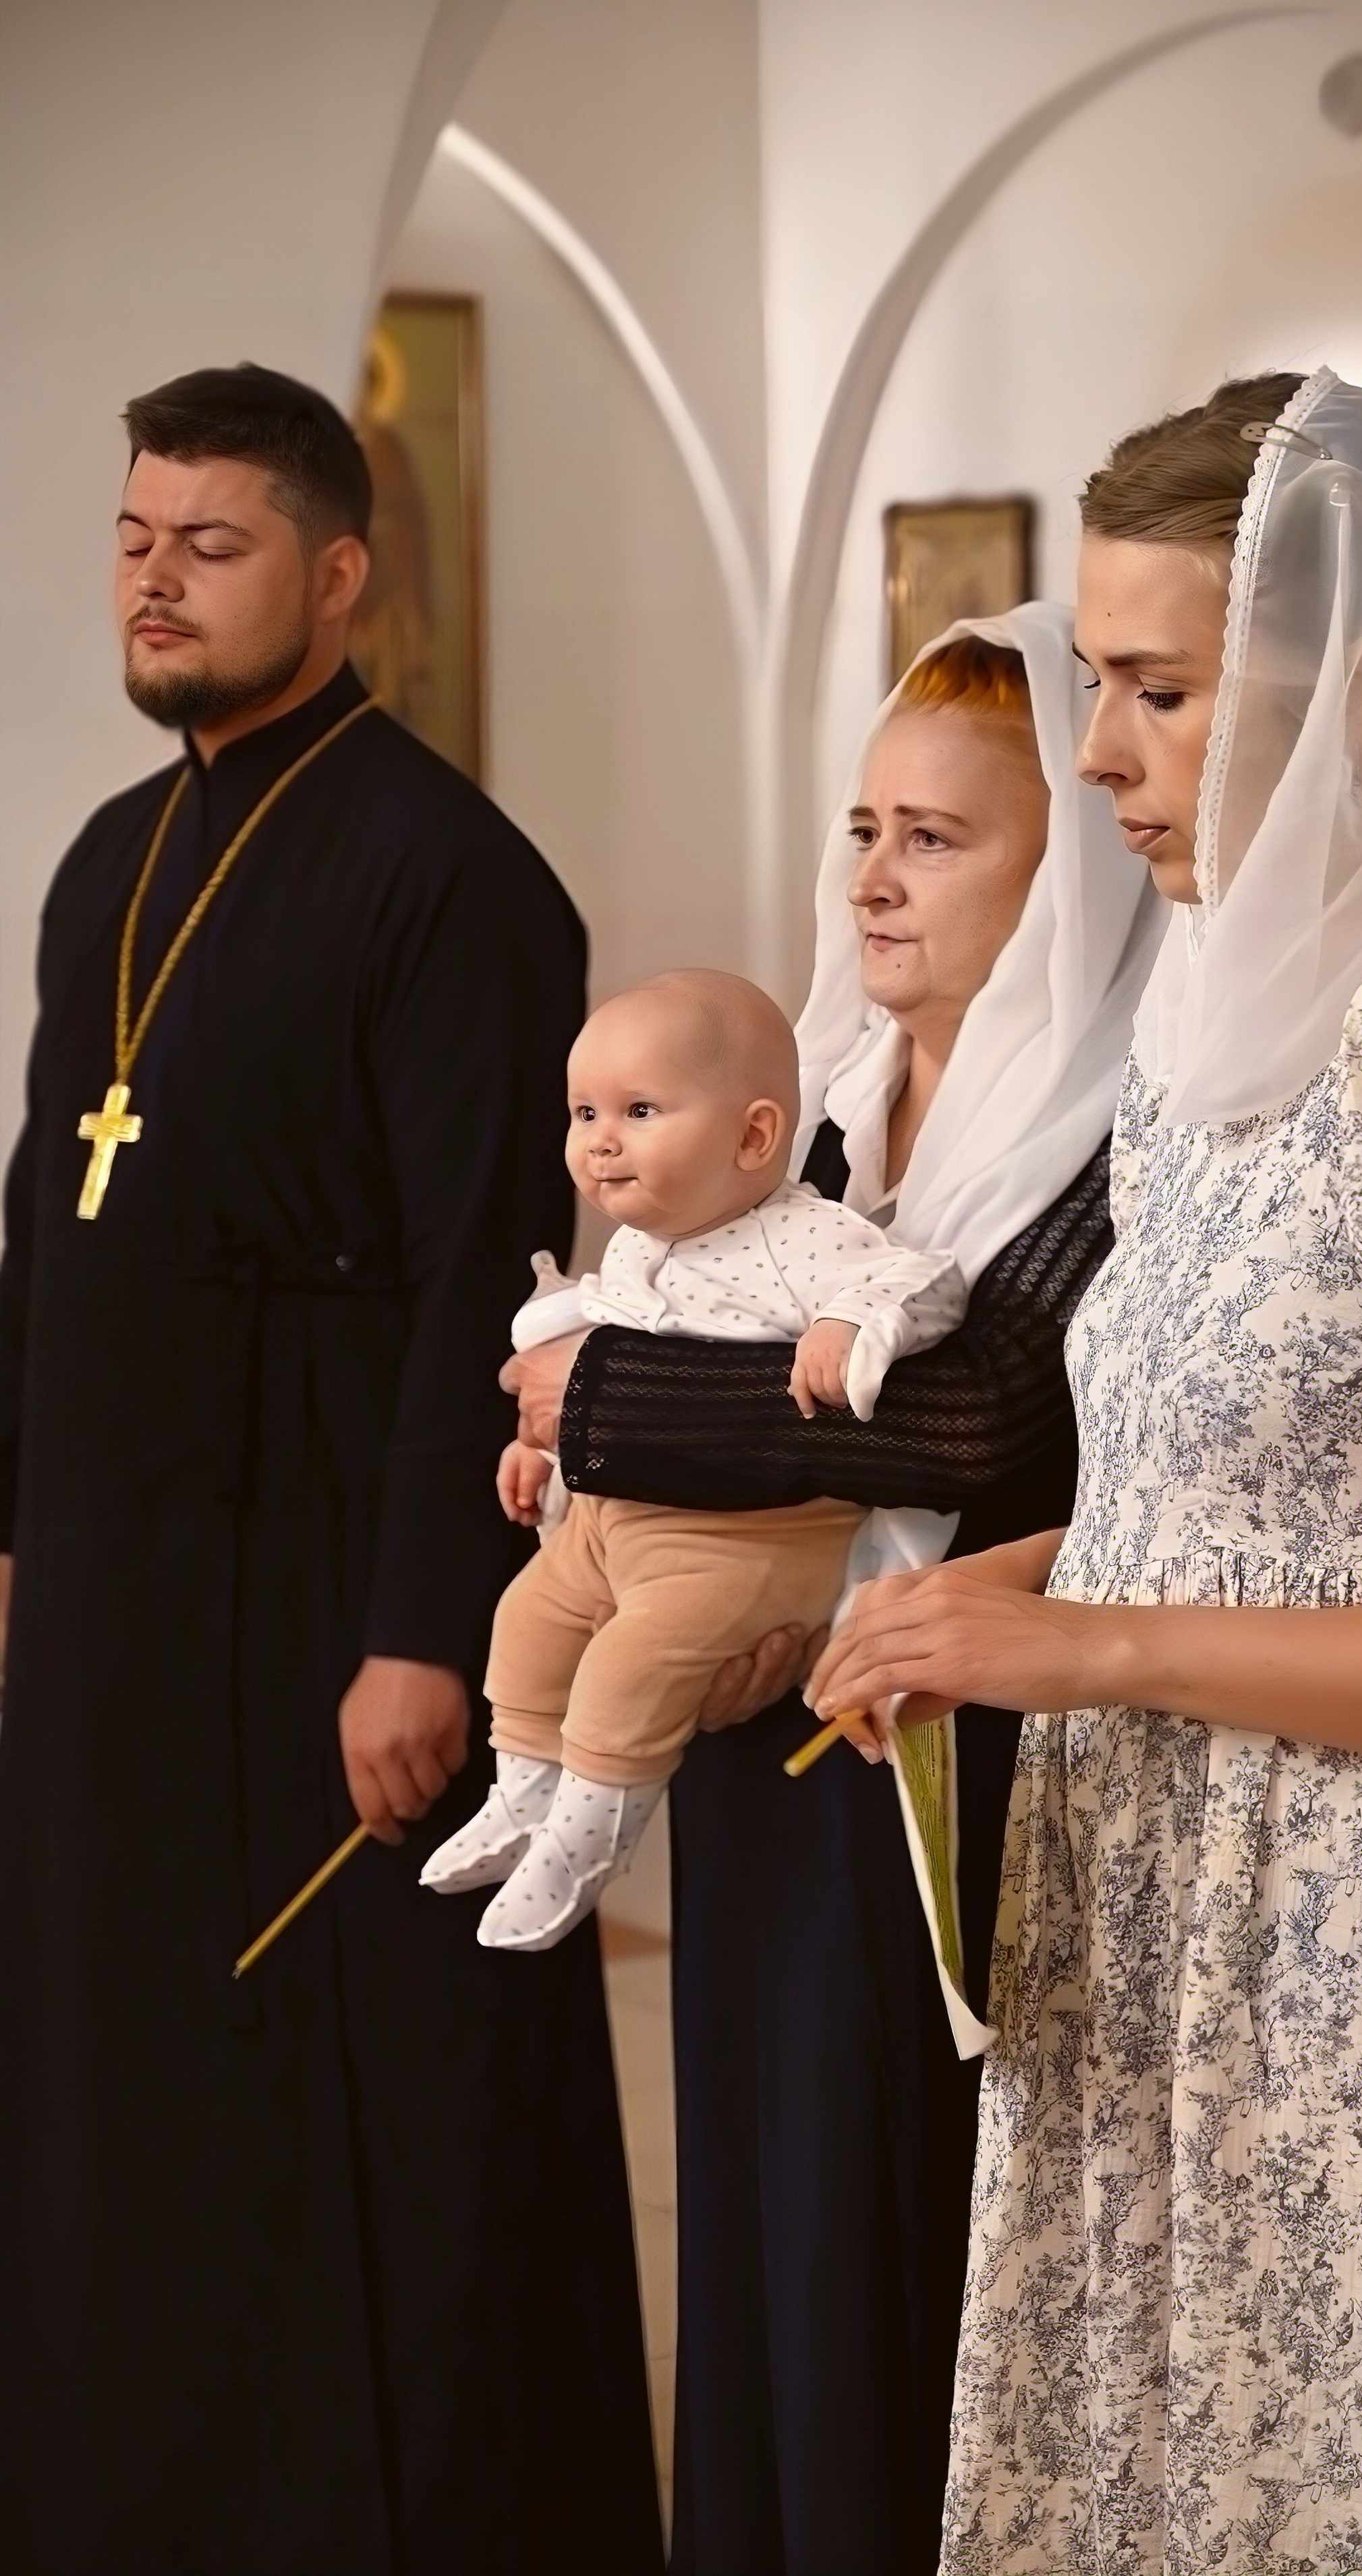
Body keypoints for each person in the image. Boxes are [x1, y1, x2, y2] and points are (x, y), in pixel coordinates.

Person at [814, 374, 1362, 2572]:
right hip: (1158, 1950)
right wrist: (987, 1596)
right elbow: (1238, 1480)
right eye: (1096, 685)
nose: (1093, 752)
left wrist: (1098, 1636)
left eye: (1157, 689)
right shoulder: (1219, 989)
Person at [0, 364, 661, 2575]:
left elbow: (491, 1278)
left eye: (214, 543)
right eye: (136, 537)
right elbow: (46, 1204)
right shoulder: (112, 853)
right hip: (114, 1588)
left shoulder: (450, 874)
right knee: (132, 2077)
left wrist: (420, 1630)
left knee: (367, 2087)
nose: (159, 581)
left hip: (320, 1590)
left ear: (338, 570)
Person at [508, 608, 1162, 2575]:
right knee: (763, 2233)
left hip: (975, 1763)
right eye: (864, 824)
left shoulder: (1124, 1116)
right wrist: (591, 1428)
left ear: (1073, 870)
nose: (873, 872)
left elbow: (973, 1415)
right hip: (757, 1727)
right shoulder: (808, 1091)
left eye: (940, 837)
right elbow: (727, 1351)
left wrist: (603, 1390)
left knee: (902, 2249)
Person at [421, 965, 962, 1951]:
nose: (599, 1140)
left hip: (745, 1537)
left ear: (754, 1137)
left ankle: (582, 1847)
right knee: (528, 1620)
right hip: (617, 1518)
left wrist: (849, 1322)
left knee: (632, 1662)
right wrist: (539, 1446)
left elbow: (924, 1282)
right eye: (584, 1112)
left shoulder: (802, 1236)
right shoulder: (636, 1248)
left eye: (637, 1110)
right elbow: (598, 1365)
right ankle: (525, 1793)